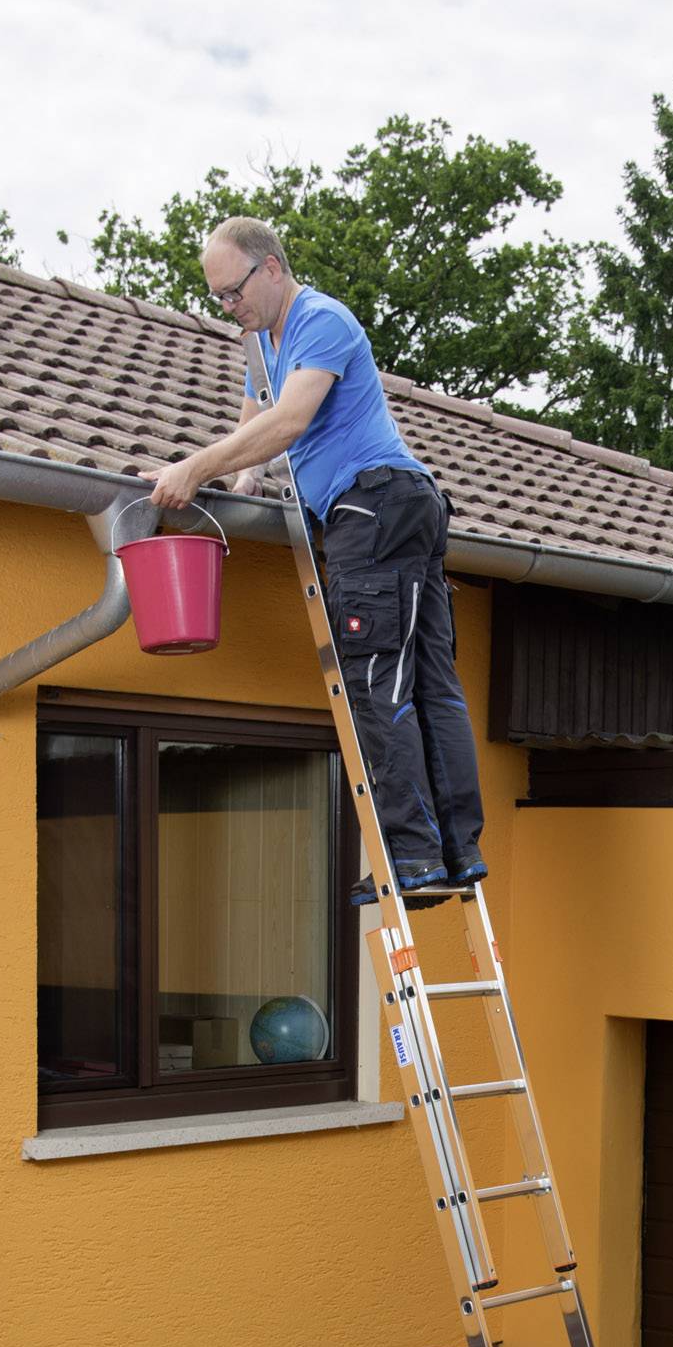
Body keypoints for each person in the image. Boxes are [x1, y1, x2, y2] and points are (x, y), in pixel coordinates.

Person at [148, 217, 485, 904]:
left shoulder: (321, 319)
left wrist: (193, 466)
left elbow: (290, 421)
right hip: (401, 508)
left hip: (374, 505)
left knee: (376, 685)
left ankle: (412, 859)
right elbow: (255, 431)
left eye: (233, 292)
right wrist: (236, 485)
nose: (227, 307)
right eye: (216, 298)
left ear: (270, 268)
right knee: (429, 684)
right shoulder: (258, 343)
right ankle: (457, 852)